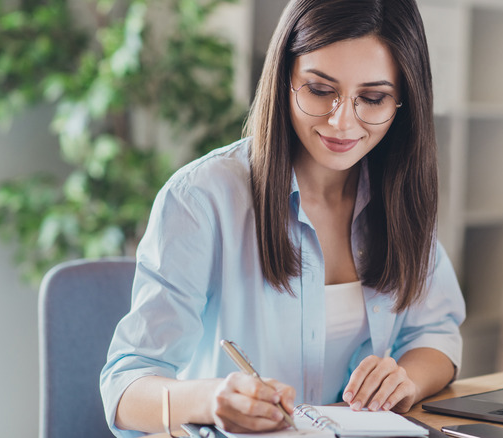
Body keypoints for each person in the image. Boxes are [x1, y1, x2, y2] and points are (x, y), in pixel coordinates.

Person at [100, 0, 465, 436]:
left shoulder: (399, 194)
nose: (343, 122)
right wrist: (211, 400)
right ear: (284, 78)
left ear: (404, 100)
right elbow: (124, 388)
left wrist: (404, 379)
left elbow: (437, 334)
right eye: (319, 90)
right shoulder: (201, 198)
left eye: (372, 98)